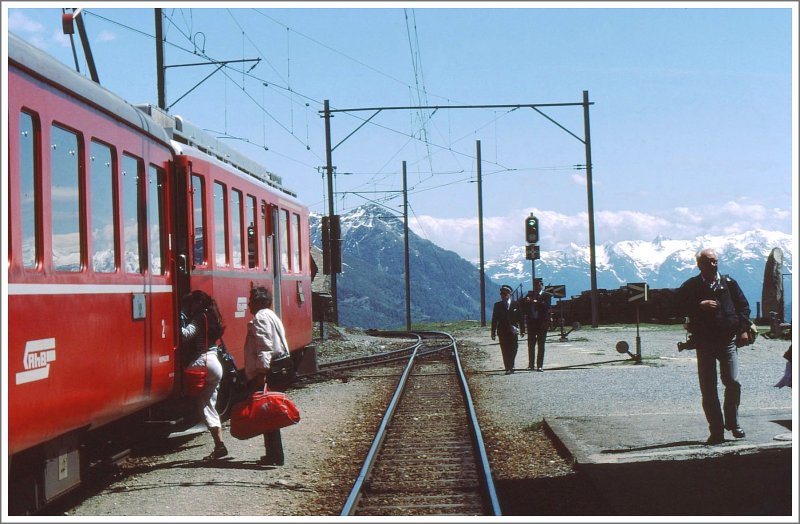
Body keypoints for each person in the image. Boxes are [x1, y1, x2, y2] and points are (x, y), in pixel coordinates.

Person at [677, 248, 752, 445]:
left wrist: (743, 329)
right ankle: (716, 430)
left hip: (727, 340)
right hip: (704, 342)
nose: (714, 264)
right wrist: (698, 305)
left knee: (733, 382)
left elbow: (744, 307)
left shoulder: (729, 283)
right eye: (709, 261)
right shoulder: (691, 286)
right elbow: (675, 306)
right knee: (709, 389)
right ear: (699, 265)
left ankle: (733, 424)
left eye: (715, 261)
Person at [244, 286, 294, 466]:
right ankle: (274, 454)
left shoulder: (260, 317)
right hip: (281, 365)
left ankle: (274, 455)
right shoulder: (271, 315)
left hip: (270, 369)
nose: (248, 304)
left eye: (251, 300)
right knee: (270, 412)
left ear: (258, 301)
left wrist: (261, 373)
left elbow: (265, 347)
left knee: (268, 412)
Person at [181, 290, 228, 460]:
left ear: (198, 303)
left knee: (205, 406)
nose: (190, 307)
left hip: (203, 362)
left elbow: (185, 335)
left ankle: (220, 445)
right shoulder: (213, 315)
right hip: (215, 361)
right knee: (210, 405)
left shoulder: (200, 317)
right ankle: (219, 445)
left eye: (192, 303)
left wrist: (174, 322)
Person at [491, 284, 523, 375]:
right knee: (505, 349)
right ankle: (508, 367)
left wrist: (522, 329)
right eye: (501, 294)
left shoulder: (515, 304)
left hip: (513, 330)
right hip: (502, 331)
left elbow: (520, 318)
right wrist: (493, 332)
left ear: (509, 294)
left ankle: (511, 364)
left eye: (505, 294)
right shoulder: (497, 305)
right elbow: (494, 319)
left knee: (514, 348)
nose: (503, 296)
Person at [522, 279, 551, 371]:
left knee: (541, 345)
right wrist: (525, 301)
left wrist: (536, 302)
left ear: (542, 285)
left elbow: (546, 306)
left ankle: (539, 365)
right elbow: (521, 304)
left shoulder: (546, 295)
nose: (537, 287)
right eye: (535, 286)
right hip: (532, 323)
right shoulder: (530, 294)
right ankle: (531, 364)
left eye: (538, 285)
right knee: (531, 345)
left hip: (542, 323)